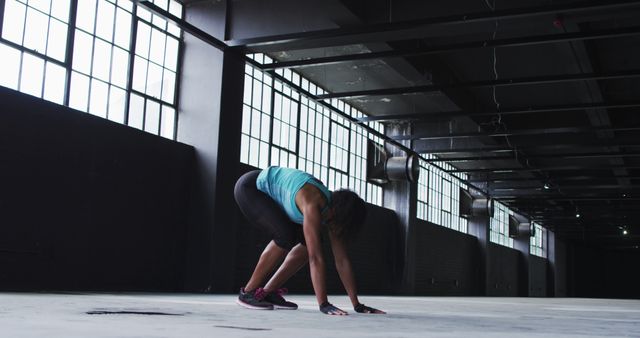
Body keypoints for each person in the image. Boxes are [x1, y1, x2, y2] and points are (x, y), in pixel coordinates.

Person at [234, 166, 385, 315]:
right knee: (285, 236)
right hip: (251, 188)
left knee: (309, 243)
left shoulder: (332, 214)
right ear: (342, 217)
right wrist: (323, 304)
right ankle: (248, 292)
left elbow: (342, 260)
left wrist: (357, 304)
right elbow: (316, 258)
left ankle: (268, 292)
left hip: (275, 197)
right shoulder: (313, 203)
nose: (341, 231)